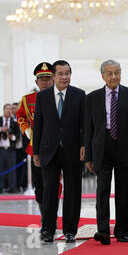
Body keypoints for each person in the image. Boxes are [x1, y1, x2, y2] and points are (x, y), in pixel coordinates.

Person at [85, 59, 128, 245]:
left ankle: (122, 231)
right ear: (102, 75)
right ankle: (102, 231)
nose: (114, 77)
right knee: (102, 191)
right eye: (110, 73)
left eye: (117, 72)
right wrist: (88, 155)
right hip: (101, 149)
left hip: (125, 148)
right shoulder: (92, 97)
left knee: (122, 191)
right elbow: (88, 128)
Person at [33, 60, 86, 244]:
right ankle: (47, 229)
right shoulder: (42, 96)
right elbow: (38, 125)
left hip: (72, 151)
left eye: (68, 73)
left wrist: (84, 145)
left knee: (73, 191)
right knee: (50, 191)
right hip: (49, 151)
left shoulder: (79, 95)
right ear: (53, 76)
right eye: (61, 74)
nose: (65, 77)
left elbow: (84, 124)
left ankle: (70, 230)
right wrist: (36, 151)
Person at [16, 62, 55, 217]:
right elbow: (21, 116)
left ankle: (51, 214)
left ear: (53, 79)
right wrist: (26, 130)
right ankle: (44, 215)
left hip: (56, 146)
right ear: (36, 82)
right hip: (37, 147)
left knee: (53, 184)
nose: (45, 82)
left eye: (48, 78)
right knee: (39, 184)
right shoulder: (28, 99)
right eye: (42, 79)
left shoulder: (60, 96)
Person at [0, 104, 21, 194]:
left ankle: (12, 188)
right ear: (3, 110)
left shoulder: (14, 123)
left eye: (11, 109)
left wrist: (12, 137)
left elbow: (18, 136)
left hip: (11, 150)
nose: (9, 110)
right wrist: (0, 129)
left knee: (12, 170)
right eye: (7, 109)